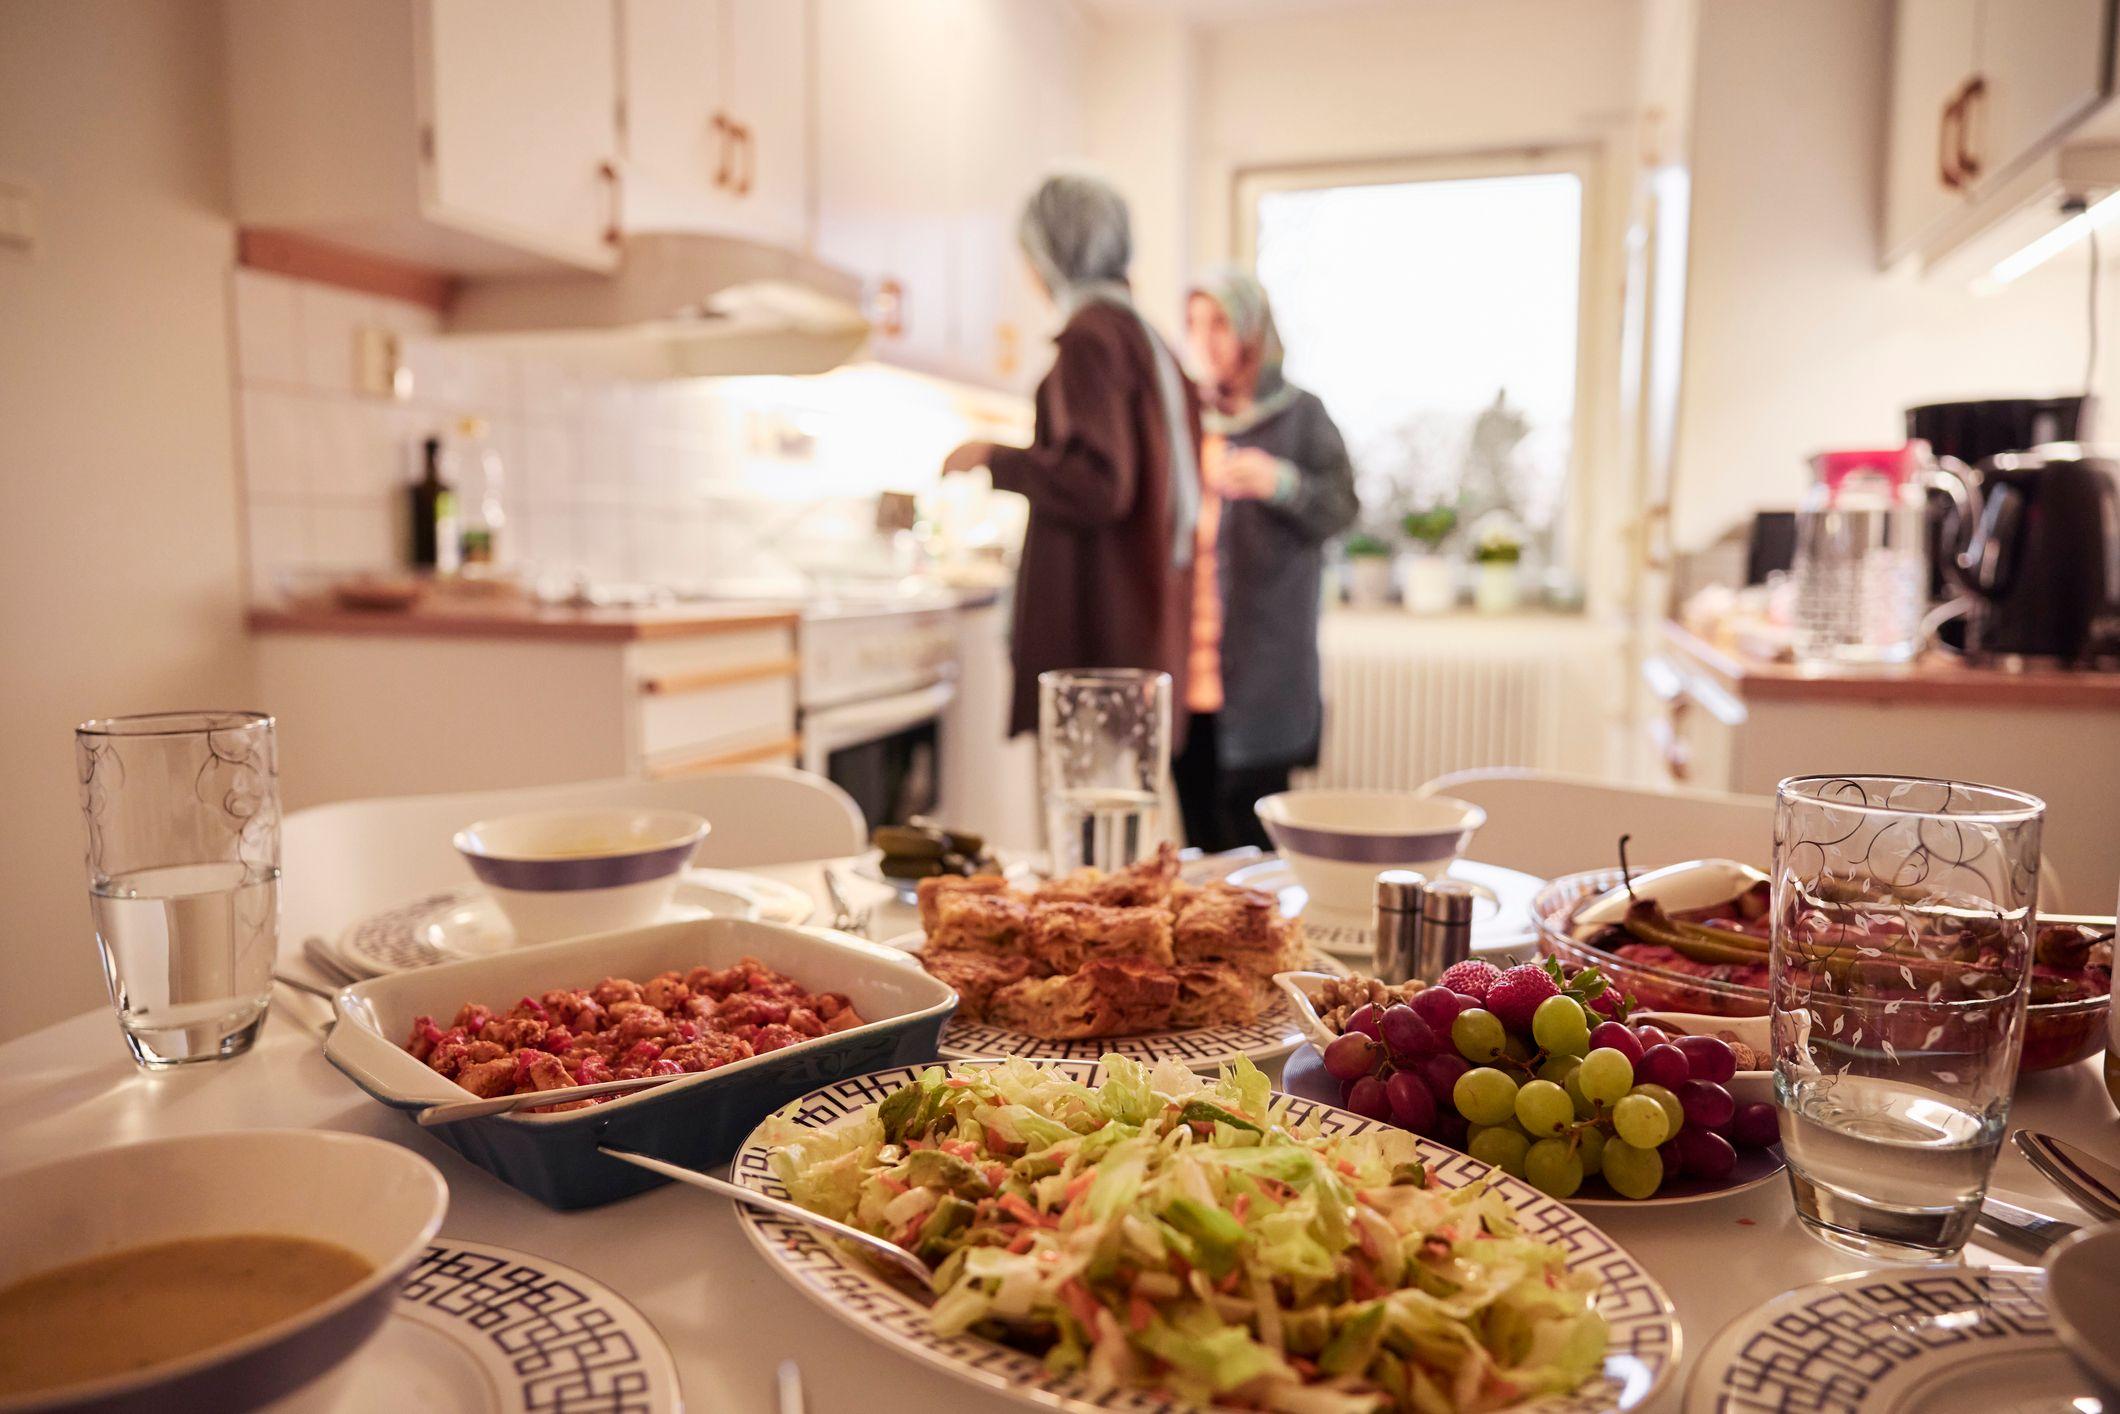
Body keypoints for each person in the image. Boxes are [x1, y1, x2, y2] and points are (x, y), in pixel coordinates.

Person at [942, 173, 1202, 741]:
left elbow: (1099, 484)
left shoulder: (1090, 338)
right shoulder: (1144, 338)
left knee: (1090, 817)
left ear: (1052, 254)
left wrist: (993, 456)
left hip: (1096, 635)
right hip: (1139, 626)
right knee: (1120, 815)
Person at [1175, 267, 1359, 851]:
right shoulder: (1186, 418)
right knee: (1200, 845)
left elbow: (1342, 509)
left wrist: (1283, 483)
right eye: (1195, 323)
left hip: (1262, 675)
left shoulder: (1302, 415)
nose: (1205, 338)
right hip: (1188, 676)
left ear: (1254, 332)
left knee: (1255, 850)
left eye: (1221, 322)